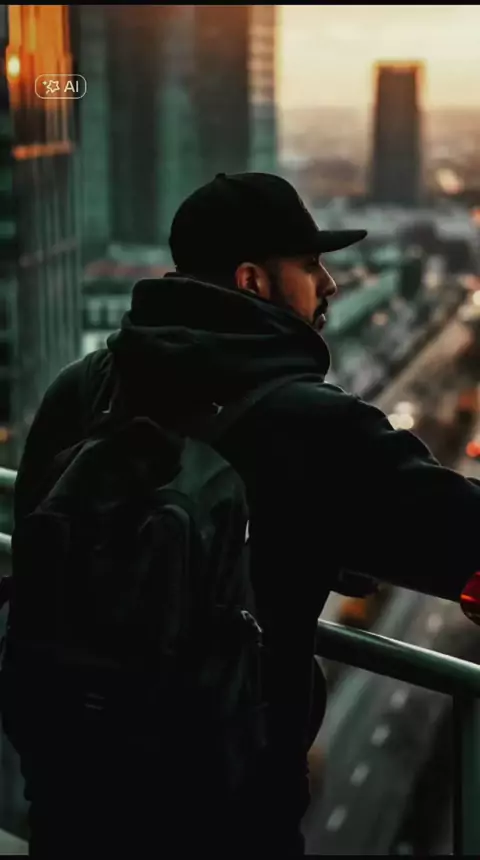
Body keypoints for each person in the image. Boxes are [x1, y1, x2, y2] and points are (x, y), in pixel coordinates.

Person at [9, 172, 480, 855]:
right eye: (310, 265)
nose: (330, 285)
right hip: (223, 820)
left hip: (72, 799)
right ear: (253, 281)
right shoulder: (316, 427)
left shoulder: (79, 391)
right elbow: (462, 536)